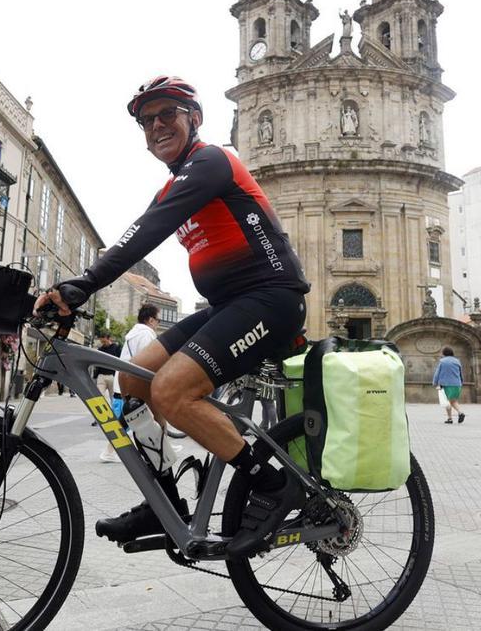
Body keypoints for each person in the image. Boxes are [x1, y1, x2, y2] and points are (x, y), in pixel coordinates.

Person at [34, 76, 310, 556]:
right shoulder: (178, 183)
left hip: (271, 298)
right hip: (229, 306)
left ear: (194, 119)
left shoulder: (212, 161)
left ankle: (273, 485)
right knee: (135, 383)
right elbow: (135, 232)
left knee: (171, 390)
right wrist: (76, 285)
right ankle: (162, 500)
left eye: (168, 114)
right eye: (147, 120)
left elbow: (149, 230)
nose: (157, 125)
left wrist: (81, 286)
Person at [99, 309, 159, 464]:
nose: (158, 324)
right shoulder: (145, 334)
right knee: (130, 417)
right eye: (158, 320)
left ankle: (159, 447)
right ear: (151, 320)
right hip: (135, 381)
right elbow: (149, 359)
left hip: (127, 379)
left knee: (139, 416)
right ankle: (109, 451)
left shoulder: (135, 332)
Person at [432, 347, 465, 424]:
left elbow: (437, 373)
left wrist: (434, 382)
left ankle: (456, 415)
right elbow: (460, 373)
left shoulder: (442, 362)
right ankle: (453, 416)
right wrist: (461, 381)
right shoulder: (457, 361)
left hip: (445, 384)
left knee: (448, 401)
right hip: (457, 384)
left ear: (444, 353)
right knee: (452, 401)